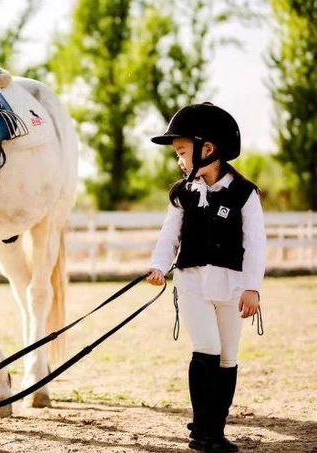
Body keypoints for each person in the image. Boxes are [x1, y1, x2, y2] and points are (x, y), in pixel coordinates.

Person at [146, 102, 266, 453]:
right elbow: (170, 235)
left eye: (181, 152)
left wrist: (252, 288)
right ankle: (203, 432)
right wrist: (159, 265)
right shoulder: (182, 193)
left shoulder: (245, 193)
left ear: (207, 149)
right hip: (192, 283)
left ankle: (214, 426)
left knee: (228, 356)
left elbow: (255, 244)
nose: (179, 160)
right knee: (207, 349)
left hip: (231, 287)